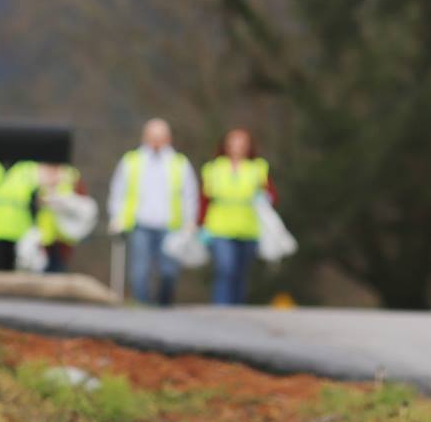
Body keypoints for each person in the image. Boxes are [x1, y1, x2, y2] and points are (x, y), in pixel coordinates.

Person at [107, 118, 199, 306]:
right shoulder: (131, 161)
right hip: (141, 224)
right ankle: (143, 310)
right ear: (145, 137)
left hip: (171, 226)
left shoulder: (179, 163)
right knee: (139, 272)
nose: (156, 141)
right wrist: (116, 217)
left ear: (168, 138)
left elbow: (189, 194)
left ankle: (163, 307)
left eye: (160, 136)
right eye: (152, 136)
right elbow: (118, 191)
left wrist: (190, 220)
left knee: (169, 273)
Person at [201, 128, 275, 306]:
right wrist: (200, 224)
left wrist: (264, 196)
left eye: (242, 144)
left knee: (240, 273)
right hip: (220, 227)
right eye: (233, 143)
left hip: (248, 228)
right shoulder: (213, 168)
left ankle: (237, 309)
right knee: (225, 269)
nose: (237, 148)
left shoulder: (257, 168)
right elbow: (204, 199)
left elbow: (272, 195)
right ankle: (221, 308)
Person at [35, 162, 88, 274]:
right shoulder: (35, 173)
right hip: (41, 237)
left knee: (58, 272)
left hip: (64, 237)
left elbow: (83, 205)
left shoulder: (71, 175)